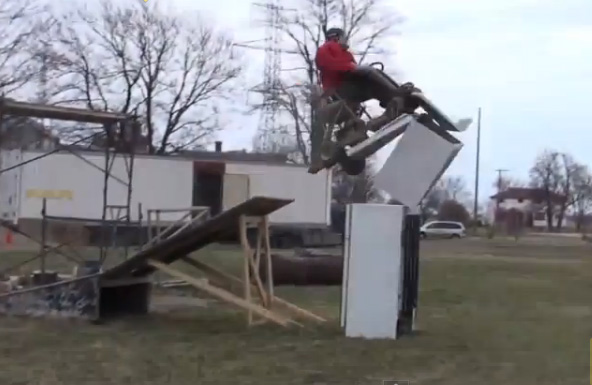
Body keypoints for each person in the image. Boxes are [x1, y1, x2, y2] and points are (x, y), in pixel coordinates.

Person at [310, 27, 414, 172]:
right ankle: (395, 94)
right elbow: (326, 64)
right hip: (339, 89)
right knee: (371, 72)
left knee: (372, 79)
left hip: (347, 87)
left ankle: (394, 100)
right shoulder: (326, 48)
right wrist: (351, 68)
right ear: (337, 37)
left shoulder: (344, 53)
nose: (346, 41)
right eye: (344, 37)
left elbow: (351, 67)